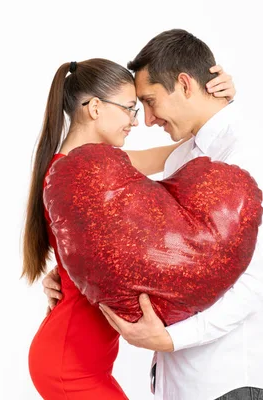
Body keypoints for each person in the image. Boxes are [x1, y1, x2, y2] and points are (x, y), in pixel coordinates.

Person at [43, 29, 263, 400]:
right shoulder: (186, 155)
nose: (147, 119)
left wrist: (171, 338)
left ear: (186, 85)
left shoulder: (246, 154)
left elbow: (255, 283)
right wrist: (72, 267)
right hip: (179, 382)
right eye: (135, 107)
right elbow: (145, 242)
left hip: (227, 380)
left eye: (150, 102)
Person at [24, 57, 236, 399]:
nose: (135, 121)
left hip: (75, 357)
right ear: (95, 107)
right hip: (70, 364)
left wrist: (217, 111)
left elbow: (172, 155)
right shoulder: (79, 174)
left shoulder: (94, 165)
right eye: (129, 108)